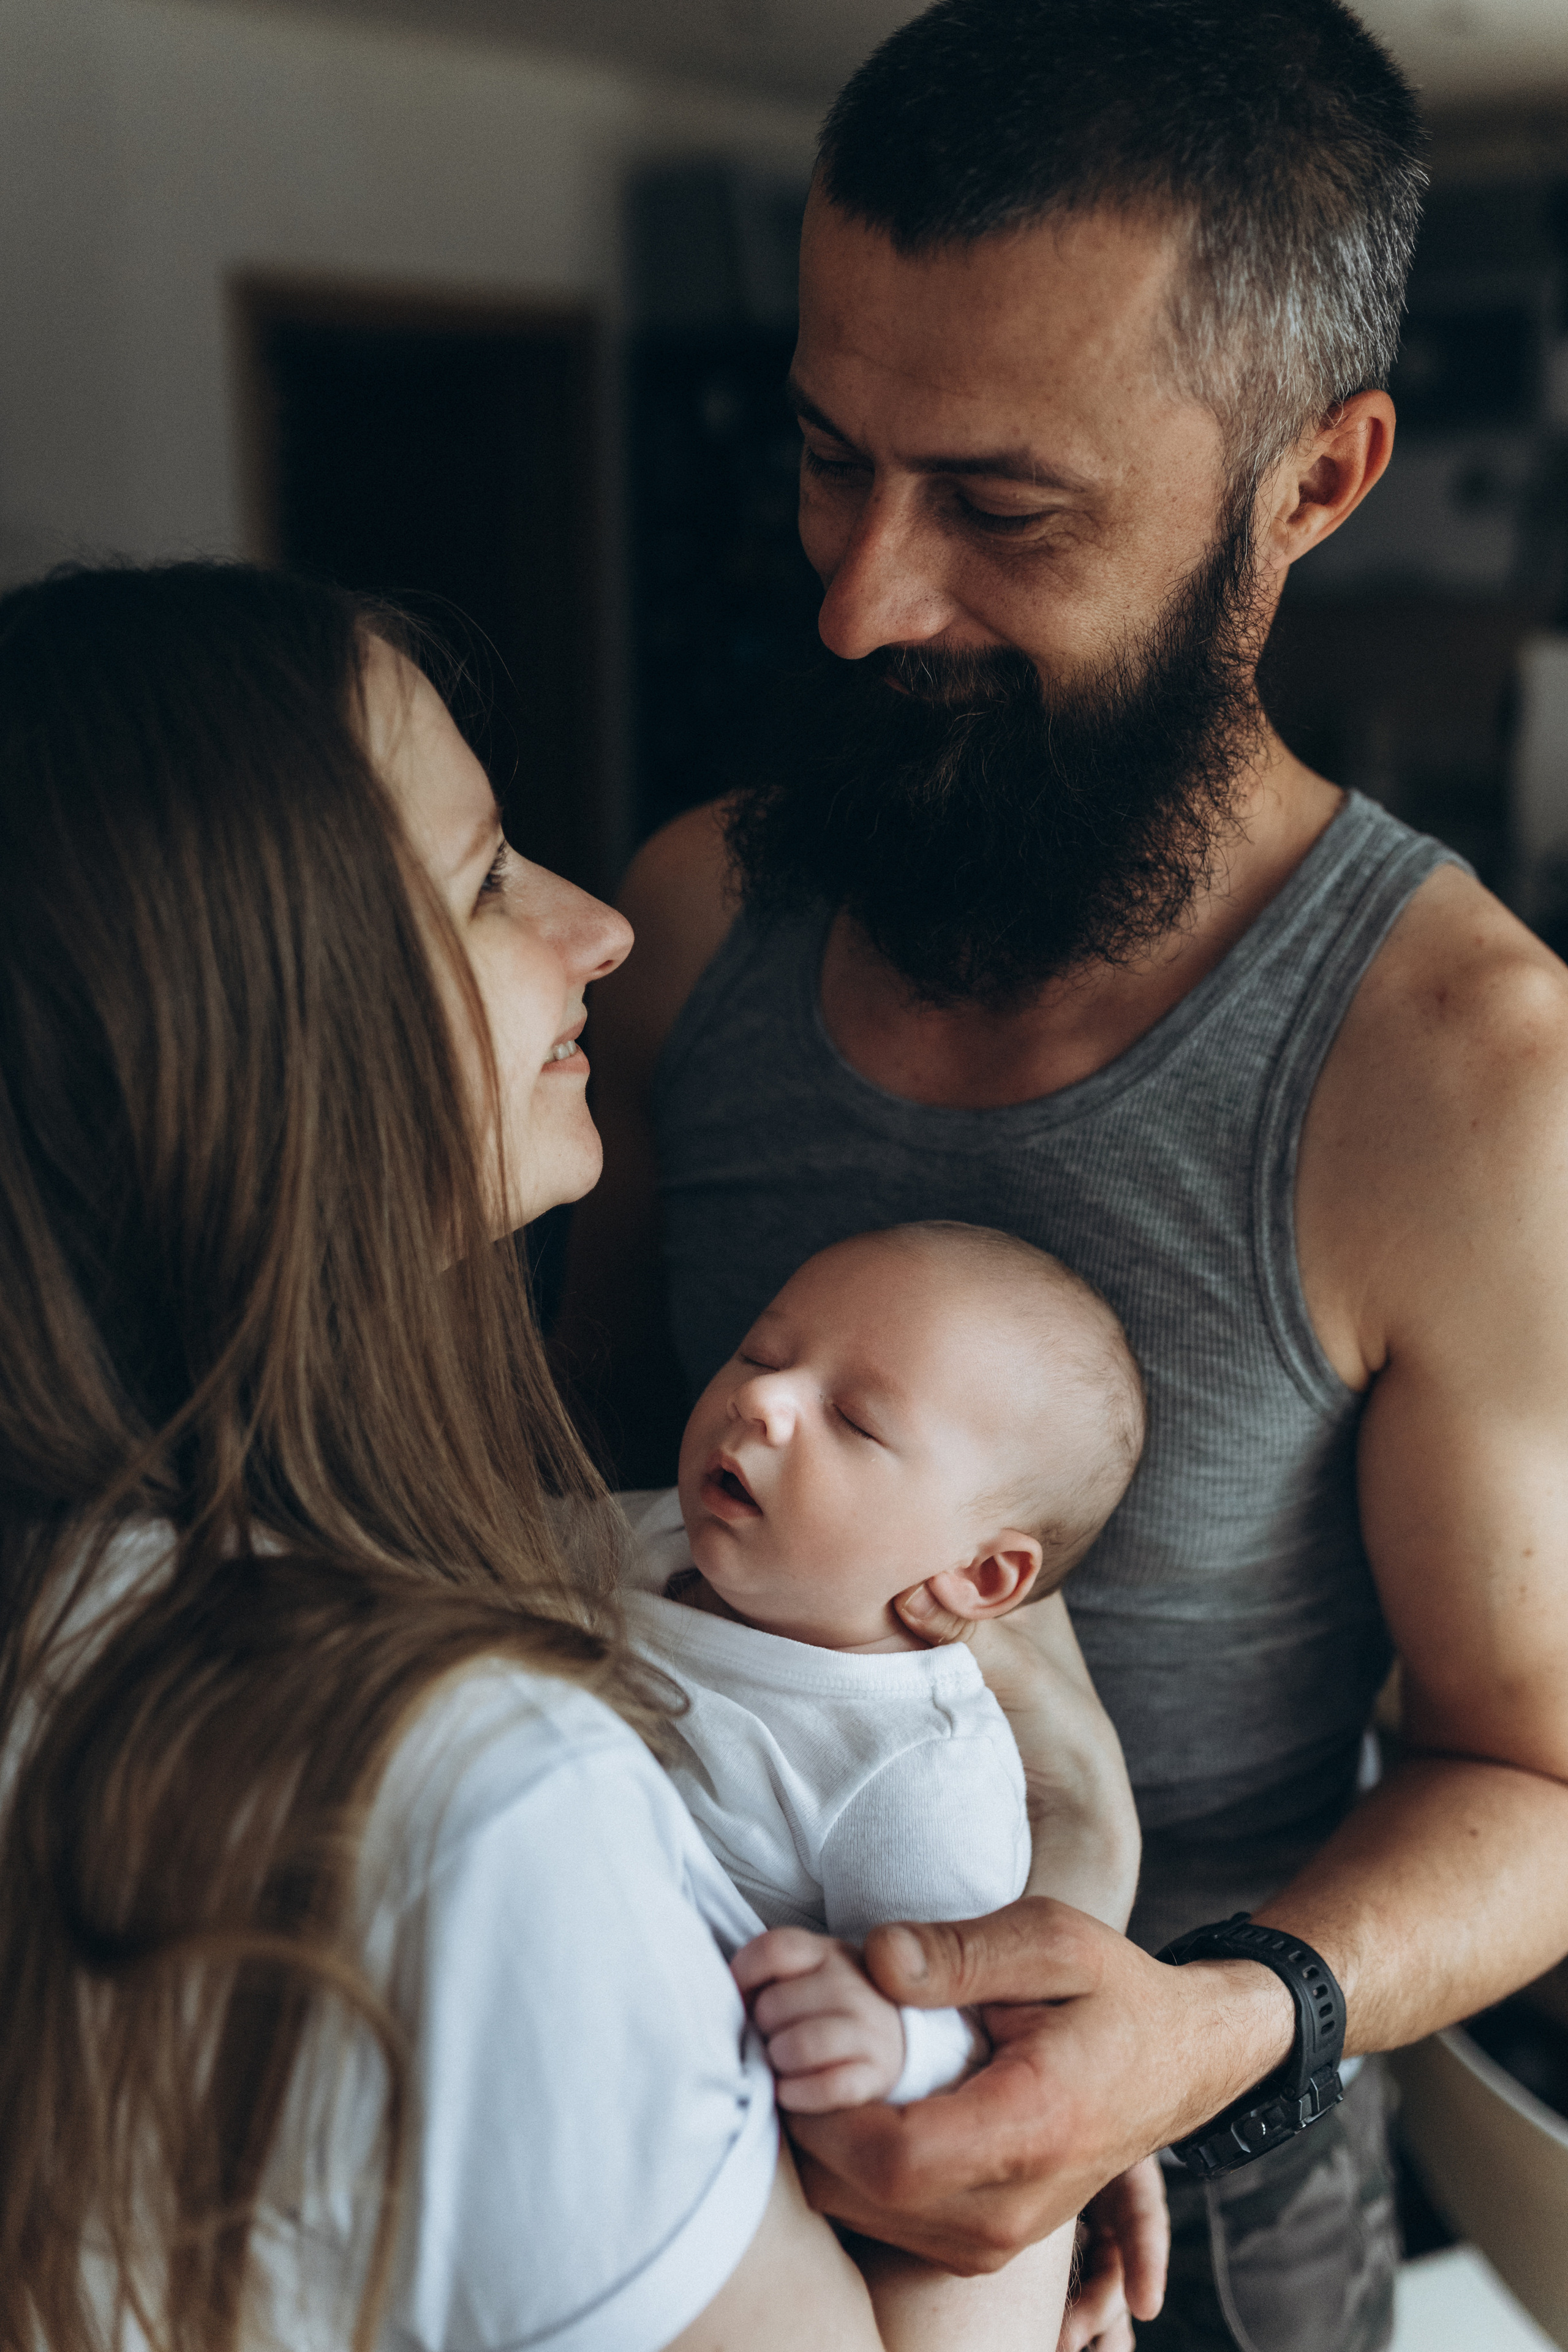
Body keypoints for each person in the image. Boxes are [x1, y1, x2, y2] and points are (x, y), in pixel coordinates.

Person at [555, 3, 1568, 2347]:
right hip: (686, 2134)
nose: (861, 601)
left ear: (1315, 485)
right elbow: (577, 1482)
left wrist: (1205, 2035)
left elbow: (1532, 1771)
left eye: (1003, 511)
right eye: (828, 461)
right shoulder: (696, 918)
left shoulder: (1466, 1073)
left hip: (1198, 2233)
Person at [0, 559, 1137, 2352]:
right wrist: (1027, 2123)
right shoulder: (471, 1792)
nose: (601, 925)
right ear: (255, 1036)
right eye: (483, 879)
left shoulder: (85, 1604)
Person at [620, 1221, 1144, 2111]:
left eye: (854, 1419)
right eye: (760, 1353)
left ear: (980, 1574)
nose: (765, 1399)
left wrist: (894, 2037)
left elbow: (970, 2012)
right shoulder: (654, 1534)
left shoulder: (914, 1771)